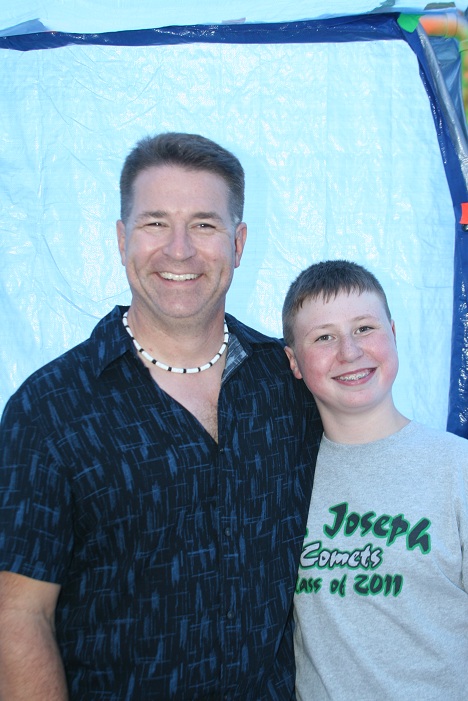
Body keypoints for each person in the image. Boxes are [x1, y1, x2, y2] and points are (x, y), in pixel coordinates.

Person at [0, 132, 322, 700]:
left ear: (238, 243)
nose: (179, 250)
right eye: (155, 223)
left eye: (204, 224)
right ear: (122, 238)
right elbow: (17, 615)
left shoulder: (291, 385)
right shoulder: (48, 410)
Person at [282, 259, 468, 701]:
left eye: (364, 328)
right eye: (324, 337)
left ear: (394, 334)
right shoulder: (281, 478)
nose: (350, 352)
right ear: (294, 362)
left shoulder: (456, 467)